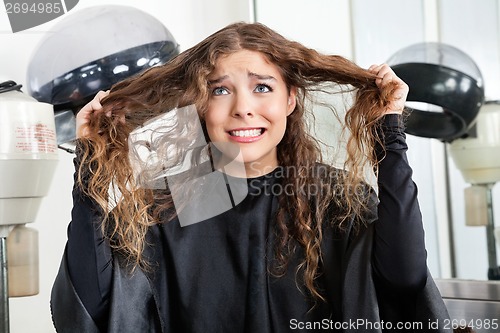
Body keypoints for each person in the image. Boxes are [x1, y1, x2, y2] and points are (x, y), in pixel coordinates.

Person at [51, 22, 451, 332]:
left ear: (290, 99)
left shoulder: (335, 199)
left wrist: (390, 135)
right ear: (200, 104)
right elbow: (92, 303)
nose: (243, 108)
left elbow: (403, 280)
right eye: (220, 91)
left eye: (262, 87)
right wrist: (90, 162)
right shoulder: (164, 207)